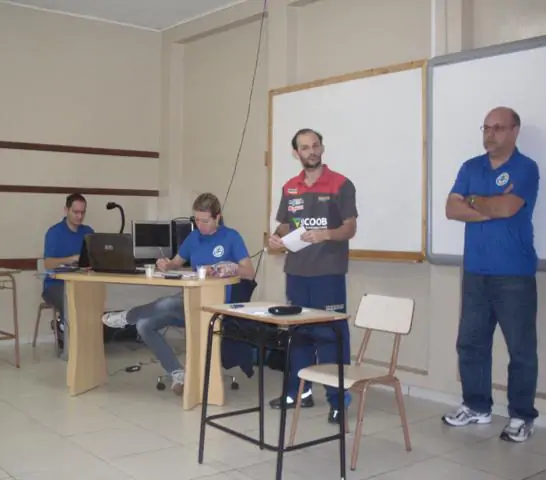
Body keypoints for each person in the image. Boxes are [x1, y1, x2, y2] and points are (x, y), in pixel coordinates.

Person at [442, 107, 540, 443]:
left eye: (498, 128)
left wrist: (473, 203)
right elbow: (451, 208)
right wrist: (489, 206)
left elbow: (508, 208)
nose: (490, 134)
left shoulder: (525, 167)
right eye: (486, 127)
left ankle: (521, 416)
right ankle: (476, 406)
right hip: (475, 272)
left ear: (515, 130)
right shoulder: (471, 167)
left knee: (520, 349)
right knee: (470, 343)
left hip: (514, 274)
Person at [101, 193, 255, 395]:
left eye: (205, 221)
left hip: (217, 306)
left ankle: (127, 316)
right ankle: (177, 372)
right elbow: (176, 263)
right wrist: (166, 265)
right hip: (190, 302)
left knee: (167, 303)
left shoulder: (231, 237)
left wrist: (231, 268)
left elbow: (249, 272)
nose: (200, 225)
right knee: (144, 325)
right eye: (196, 220)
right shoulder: (193, 237)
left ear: (217, 217)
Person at [268, 128, 357, 424]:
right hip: (296, 272)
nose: (312, 151)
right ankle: (299, 393)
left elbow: (350, 228)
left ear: (322, 148)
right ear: (296, 153)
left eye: (315, 145)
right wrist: (275, 238)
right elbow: (285, 225)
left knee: (330, 336)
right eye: (305, 147)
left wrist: (325, 234)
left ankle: (338, 401)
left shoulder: (341, 184)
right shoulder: (290, 187)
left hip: (328, 273)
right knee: (298, 334)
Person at [42, 193, 94, 351]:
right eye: (76, 212)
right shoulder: (54, 232)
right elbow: (48, 263)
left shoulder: (88, 232)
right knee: (72, 301)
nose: (79, 216)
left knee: (97, 298)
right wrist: (71, 259)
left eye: (83, 212)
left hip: (83, 282)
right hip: (55, 285)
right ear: (66, 210)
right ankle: (67, 334)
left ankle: (88, 338)